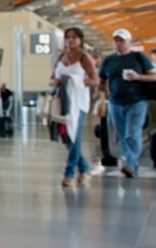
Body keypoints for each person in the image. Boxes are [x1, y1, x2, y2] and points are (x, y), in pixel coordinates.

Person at [98, 28, 156, 177]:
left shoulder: (138, 57)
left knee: (132, 133)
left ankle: (131, 164)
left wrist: (137, 77)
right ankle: (130, 161)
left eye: (122, 41)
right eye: (116, 40)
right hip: (115, 102)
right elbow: (102, 80)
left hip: (137, 101)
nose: (118, 44)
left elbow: (153, 77)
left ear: (129, 42)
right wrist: (102, 96)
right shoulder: (109, 60)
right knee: (122, 135)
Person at [49, 27, 98, 187]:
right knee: (66, 137)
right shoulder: (61, 57)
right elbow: (52, 78)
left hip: (78, 102)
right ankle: (84, 168)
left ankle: (69, 173)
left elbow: (95, 80)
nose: (70, 40)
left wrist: (76, 81)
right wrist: (56, 81)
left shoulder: (85, 57)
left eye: (74, 37)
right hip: (62, 101)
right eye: (68, 37)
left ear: (80, 40)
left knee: (74, 136)